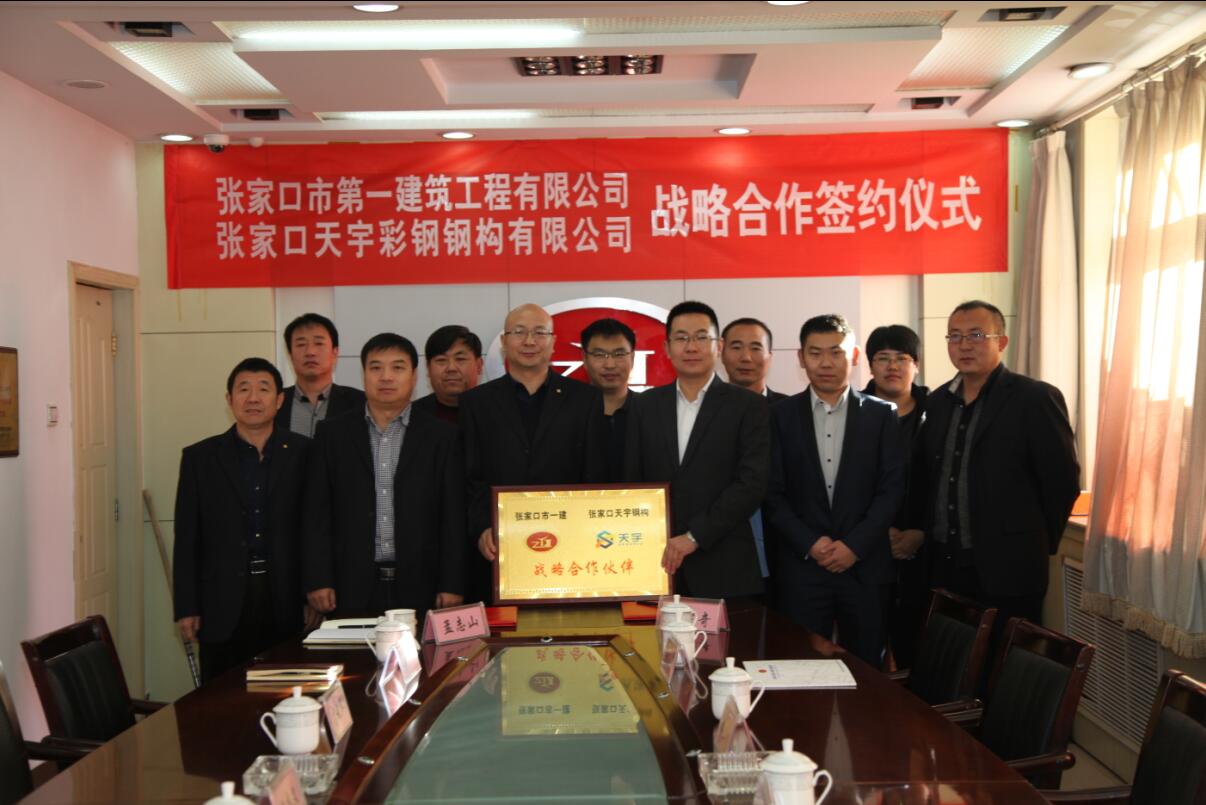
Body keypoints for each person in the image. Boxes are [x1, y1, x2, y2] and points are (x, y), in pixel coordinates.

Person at [908, 300, 1079, 631]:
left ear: (1001, 341)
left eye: (976, 335)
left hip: (1010, 568)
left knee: (1005, 658)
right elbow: (926, 478)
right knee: (950, 655)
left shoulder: (1034, 398)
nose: (964, 345)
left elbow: (1062, 482)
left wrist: (1033, 541)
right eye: (954, 336)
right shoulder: (937, 402)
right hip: (945, 566)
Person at [764, 315, 905, 665]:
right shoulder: (779, 415)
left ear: (854, 356)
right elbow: (771, 493)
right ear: (801, 358)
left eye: (836, 352)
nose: (825, 363)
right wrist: (810, 543)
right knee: (800, 669)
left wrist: (854, 546)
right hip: (802, 570)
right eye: (815, 353)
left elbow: (891, 490)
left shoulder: (882, 415)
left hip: (865, 569)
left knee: (866, 671)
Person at [303, 333, 465, 621]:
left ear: (414, 376)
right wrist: (318, 578)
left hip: (422, 583)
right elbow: (316, 513)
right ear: (364, 374)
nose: (386, 377)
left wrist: (452, 583)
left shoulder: (442, 436)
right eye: (376, 367)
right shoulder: (332, 434)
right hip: (349, 585)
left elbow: (453, 516)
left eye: (397, 367)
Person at [173, 358, 311, 683]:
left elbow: (314, 528)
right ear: (229, 399)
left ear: (279, 400)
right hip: (221, 601)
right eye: (243, 389)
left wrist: (313, 589)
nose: (253, 398)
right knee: (222, 697)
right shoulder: (200, 458)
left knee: (288, 692)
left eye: (263, 389)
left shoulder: (304, 453)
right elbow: (187, 537)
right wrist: (186, 606)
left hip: (286, 597)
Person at [624, 301, 769, 600]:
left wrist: (694, 537)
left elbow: (752, 483)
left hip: (725, 564)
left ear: (719, 346)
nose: (691, 347)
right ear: (667, 347)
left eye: (701, 337)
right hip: (657, 564)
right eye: (681, 338)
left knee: (734, 634)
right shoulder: (643, 406)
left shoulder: (749, 406)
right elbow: (632, 480)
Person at [462, 304, 606, 601]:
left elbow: (594, 474)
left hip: (569, 547)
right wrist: (482, 527)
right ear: (504, 342)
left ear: (553, 342)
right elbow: (470, 476)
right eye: (519, 332)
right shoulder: (476, 403)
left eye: (540, 332)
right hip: (499, 547)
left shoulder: (585, 399)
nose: (529, 341)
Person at [861, 324, 929, 669]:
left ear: (916, 364)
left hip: (926, 553)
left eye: (901, 358)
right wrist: (877, 531)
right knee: (865, 650)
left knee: (920, 652)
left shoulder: (938, 411)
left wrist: (921, 531)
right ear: (870, 366)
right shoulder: (853, 411)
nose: (892, 366)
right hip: (866, 550)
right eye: (882, 358)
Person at [275, 313, 365, 438]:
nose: (310, 352)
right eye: (301, 344)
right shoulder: (274, 403)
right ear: (290, 355)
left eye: (319, 343)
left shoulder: (360, 403)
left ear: (335, 352)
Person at [580, 317, 637, 482]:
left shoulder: (650, 413)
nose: (610, 365)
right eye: (599, 355)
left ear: (632, 358)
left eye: (619, 354)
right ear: (584, 358)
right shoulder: (567, 414)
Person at [413, 325, 484, 427]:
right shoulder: (411, 417)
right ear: (428, 368)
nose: (451, 368)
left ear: (479, 365)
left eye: (460, 359)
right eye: (441, 360)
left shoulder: (498, 411)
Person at [721, 317, 788, 401]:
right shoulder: (708, 404)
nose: (746, 358)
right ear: (722, 355)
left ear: (769, 357)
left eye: (755, 348)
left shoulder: (789, 407)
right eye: (736, 347)